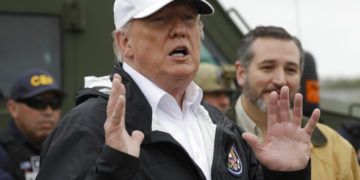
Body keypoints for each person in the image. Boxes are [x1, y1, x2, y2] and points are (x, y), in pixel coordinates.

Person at [36, 0, 320, 179]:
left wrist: (285, 175)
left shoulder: (219, 126)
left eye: (188, 18)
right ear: (125, 43)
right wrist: (115, 169)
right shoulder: (88, 126)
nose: (179, 30)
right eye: (160, 19)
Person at [227, 26, 360, 180]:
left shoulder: (336, 149)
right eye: (267, 67)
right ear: (241, 74)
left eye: (291, 70)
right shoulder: (208, 136)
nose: (280, 80)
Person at [0, 69, 65, 180]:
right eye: (38, 102)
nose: (49, 112)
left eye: (55, 102)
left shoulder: (67, 147)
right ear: (13, 108)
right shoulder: (3, 152)